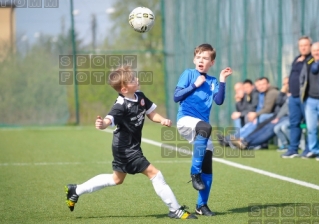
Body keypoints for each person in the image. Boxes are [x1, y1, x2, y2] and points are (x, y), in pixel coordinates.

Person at [65, 66, 197, 220]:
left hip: (130, 147)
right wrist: (103, 124)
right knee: (155, 174)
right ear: (123, 88)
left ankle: (76, 190)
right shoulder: (121, 105)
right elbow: (109, 118)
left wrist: (162, 120)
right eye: (133, 79)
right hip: (125, 149)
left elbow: (151, 113)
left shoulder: (139, 96)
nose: (137, 80)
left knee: (117, 179)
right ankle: (175, 210)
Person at [173, 43, 232, 216]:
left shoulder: (213, 81)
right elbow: (177, 96)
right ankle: (194, 173)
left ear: (211, 62)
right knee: (206, 127)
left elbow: (219, 101)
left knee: (208, 166)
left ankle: (201, 205)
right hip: (185, 120)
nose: (201, 60)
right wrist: (194, 85)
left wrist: (222, 81)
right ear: (194, 59)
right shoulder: (188, 74)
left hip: (201, 130)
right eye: (198, 57)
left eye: (205, 58)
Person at [229, 77, 289, 150]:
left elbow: (269, 108)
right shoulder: (262, 93)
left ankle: (246, 142)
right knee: (261, 125)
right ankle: (243, 140)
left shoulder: (272, 92)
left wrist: (256, 115)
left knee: (267, 125)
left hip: (282, 117)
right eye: (284, 84)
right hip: (277, 116)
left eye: (287, 83)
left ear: (268, 84)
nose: (285, 86)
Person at [281, 36, 312, 158]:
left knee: (310, 124)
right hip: (293, 97)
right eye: (301, 45)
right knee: (294, 123)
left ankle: (310, 149)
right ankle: (293, 149)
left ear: (310, 46)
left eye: (305, 45)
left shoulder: (311, 59)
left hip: (306, 97)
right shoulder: (296, 59)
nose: (303, 48)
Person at [300, 42, 319, 160]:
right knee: (311, 128)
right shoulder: (308, 62)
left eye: (318, 50)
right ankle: (314, 150)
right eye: (314, 50)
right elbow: (302, 78)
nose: (316, 52)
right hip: (311, 100)